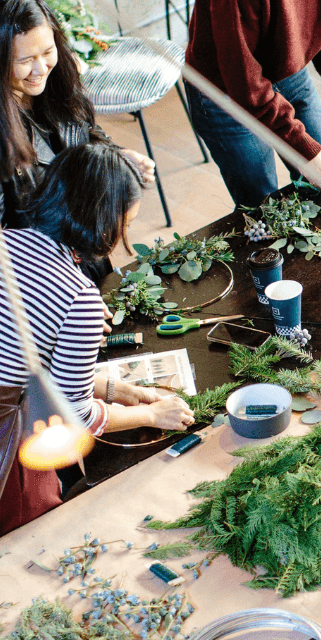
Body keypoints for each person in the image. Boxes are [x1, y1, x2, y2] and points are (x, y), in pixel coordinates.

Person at [0, 144, 195, 536]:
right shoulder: (79, 298)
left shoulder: (7, 239)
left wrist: (110, 385)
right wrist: (151, 415)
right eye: (128, 221)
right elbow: (76, 418)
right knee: (28, 536)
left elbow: (23, 351)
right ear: (105, 222)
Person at [185, 0, 321, 209]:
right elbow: (245, 83)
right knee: (265, 208)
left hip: (289, 71)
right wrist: (301, 149)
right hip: (225, 92)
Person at [0, 0, 155, 233]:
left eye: (47, 52)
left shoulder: (59, 83)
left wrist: (113, 156)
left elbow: (85, 133)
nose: (40, 69)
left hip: (81, 238)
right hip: (41, 258)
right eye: (25, 60)